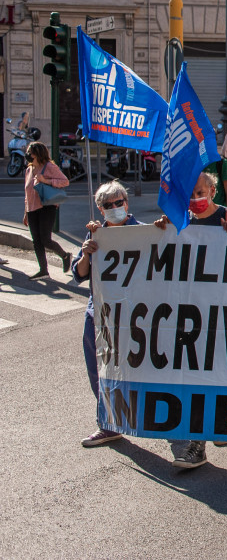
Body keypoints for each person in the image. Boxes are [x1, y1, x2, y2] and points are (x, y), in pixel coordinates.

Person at [153, 172, 227, 469]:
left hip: (224, 312)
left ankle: (219, 425)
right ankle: (197, 443)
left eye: (200, 191)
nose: (195, 197)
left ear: (213, 190)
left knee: (221, 372)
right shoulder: (180, 220)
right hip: (190, 316)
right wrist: (161, 231)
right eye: (190, 192)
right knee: (195, 376)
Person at [72, 181, 140, 448]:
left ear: (127, 203)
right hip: (98, 313)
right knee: (99, 368)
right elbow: (79, 274)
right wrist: (87, 253)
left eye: (118, 202)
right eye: (108, 205)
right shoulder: (96, 234)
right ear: (100, 209)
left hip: (135, 314)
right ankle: (108, 423)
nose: (114, 208)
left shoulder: (143, 232)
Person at [22, 141, 70, 278]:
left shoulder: (49, 167)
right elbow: (27, 194)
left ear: (38, 154)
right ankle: (43, 270)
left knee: (45, 240)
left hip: (46, 207)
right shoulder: (28, 170)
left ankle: (65, 256)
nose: (28, 155)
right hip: (32, 209)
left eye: (30, 153)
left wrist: (46, 181)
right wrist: (25, 212)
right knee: (36, 241)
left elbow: (65, 181)